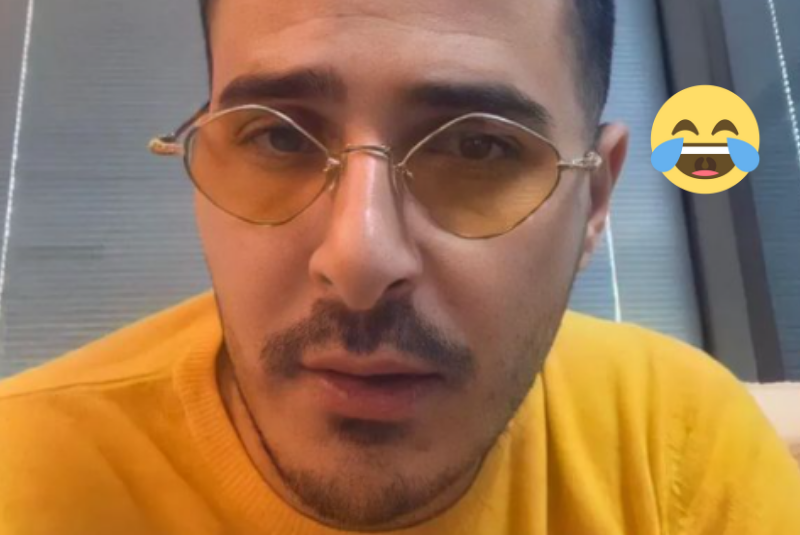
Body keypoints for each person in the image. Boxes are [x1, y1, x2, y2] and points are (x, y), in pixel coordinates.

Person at [1, 0, 798, 533]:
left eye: (476, 146)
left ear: (593, 201)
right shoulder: (25, 477)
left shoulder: (676, 452)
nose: (358, 261)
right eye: (279, 136)